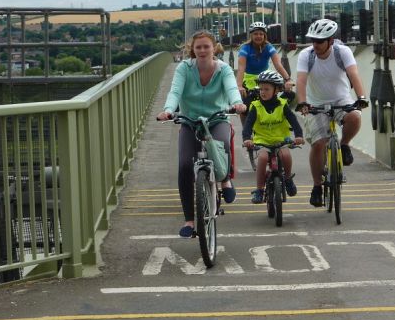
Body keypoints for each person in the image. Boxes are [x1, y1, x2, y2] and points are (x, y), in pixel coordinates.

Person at [157, 30, 247, 237]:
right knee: (184, 166)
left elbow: (232, 88)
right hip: (190, 121)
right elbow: (175, 91)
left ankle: (224, 179)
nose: (203, 50)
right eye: (198, 47)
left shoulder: (223, 69)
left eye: (206, 46)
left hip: (217, 119)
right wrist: (169, 110)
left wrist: (237, 103)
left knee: (222, 143)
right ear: (192, 50)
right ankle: (189, 220)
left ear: (214, 48)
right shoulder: (184, 69)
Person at [295, 19, 369, 207]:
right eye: (313, 40)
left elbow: (354, 74)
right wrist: (302, 102)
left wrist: (361, 97)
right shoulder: (306, 55)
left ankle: (344, 145)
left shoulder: (342, 52)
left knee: (354, 116)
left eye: (320, 41)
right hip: (315, 103)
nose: (315, 45)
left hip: (340, 99)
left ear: (331, 41)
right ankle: (317, 186)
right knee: (319, 143)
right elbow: (301, 81)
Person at [242, 71, 304, 204]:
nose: (263, 92)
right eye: (261, 89)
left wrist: (299, 136)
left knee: (286, 155)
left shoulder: (283, 105)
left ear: (276, 90)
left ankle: (287, 179)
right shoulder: (255, 106)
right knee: (263, 158)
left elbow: (293, 121)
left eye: (267, 89)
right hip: (262, 141)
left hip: (280, 140)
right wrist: (247, 139)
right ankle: (259, 189)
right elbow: (248, 125)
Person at [237, 21, 294, 104]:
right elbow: (241, 68)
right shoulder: (245, 48)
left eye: (261, 34)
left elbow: (278, 65)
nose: (258, 36)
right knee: (245, 105)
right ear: (251, 36)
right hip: (248, 80)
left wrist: (288, 80)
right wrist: (239, 85)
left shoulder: (269, 47)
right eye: (255, 34)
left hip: (264, 78)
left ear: (264, 36)